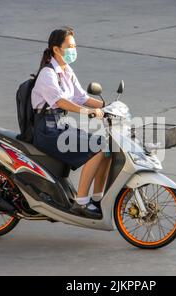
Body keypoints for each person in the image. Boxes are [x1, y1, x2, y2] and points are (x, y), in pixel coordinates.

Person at [31, 27, 111, 218]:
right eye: (70, 46)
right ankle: (81, 202)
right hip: (46, 130)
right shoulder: (47, 74)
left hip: (59, 125)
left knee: (108, 148)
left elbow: (81, 97)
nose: (74, 50)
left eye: (75, 46)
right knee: (98, 149)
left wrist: (108, 106)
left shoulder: (67, 70)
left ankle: (98, 199)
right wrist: (89, 112)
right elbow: (60, 101)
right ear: (56, 49)